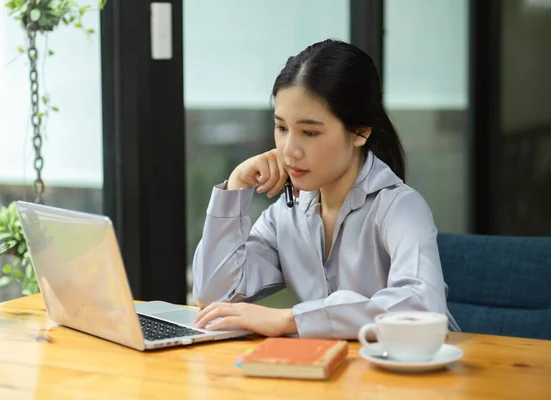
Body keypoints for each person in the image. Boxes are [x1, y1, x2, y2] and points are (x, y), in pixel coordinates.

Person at [191, 39, 460, 339]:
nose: (289, 150)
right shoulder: (286, 215)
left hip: (419, 376)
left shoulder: (400, 208)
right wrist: (236, 187)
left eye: (309, 132)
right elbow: (213, 296)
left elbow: (423, 308)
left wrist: (291, 320)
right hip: (334, 375)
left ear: (360, 131)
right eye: (281, 128)